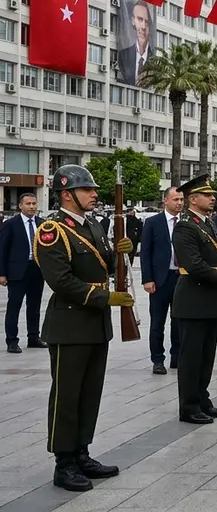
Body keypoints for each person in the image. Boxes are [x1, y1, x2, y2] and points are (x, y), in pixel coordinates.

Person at [34, 165, 132, 491]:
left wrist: (121, 252)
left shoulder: (93, 225)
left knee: (90, 393)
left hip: (95, 324)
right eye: (87, 190)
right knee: (67, 395)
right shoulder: (52, 230)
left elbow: (103, 264)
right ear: (66, 194)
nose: (93, 194)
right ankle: (64, 463)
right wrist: (105, 297)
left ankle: (82, 453)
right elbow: (61, 281)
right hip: (70, 324)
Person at [172, 174, 217, 426]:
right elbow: (194, 265)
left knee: (206, 356)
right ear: (193, 199)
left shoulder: (208, 223)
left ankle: (202, 399)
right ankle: (189, 406)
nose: (213, 198)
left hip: (210, 299)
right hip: (193, 299)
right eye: (207, 195)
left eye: (212, 195)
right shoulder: (185, 227)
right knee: (191, 358)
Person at [139, 187, 183, 374]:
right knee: (158, 322)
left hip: (181, 278)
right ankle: (157, 359)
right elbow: (145, 252)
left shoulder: (186, 222)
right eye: (175, 199)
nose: (179, 203)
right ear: (165, 201)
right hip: (160, 279)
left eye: (181, 199)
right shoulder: (153, 222)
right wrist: (147, 279)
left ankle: (177, 356)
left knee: (179, 320)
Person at [1, 192, 46, 353]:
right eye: (28, 204)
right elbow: (2, 249)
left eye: (34, 203)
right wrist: (2, 273)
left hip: (37, 270)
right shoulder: (10, 224)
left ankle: (34, 337)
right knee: (14, 306)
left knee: (34, 306)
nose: (31, 207)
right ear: (20, 206)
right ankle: (12, 341)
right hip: (17, 271)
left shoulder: (42, 224)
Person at [115, 0, 154, 86]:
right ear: (133, 21)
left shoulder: (155, 61)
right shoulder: (123, 55)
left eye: (146, 22)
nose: (143, 27)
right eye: (140, 19)